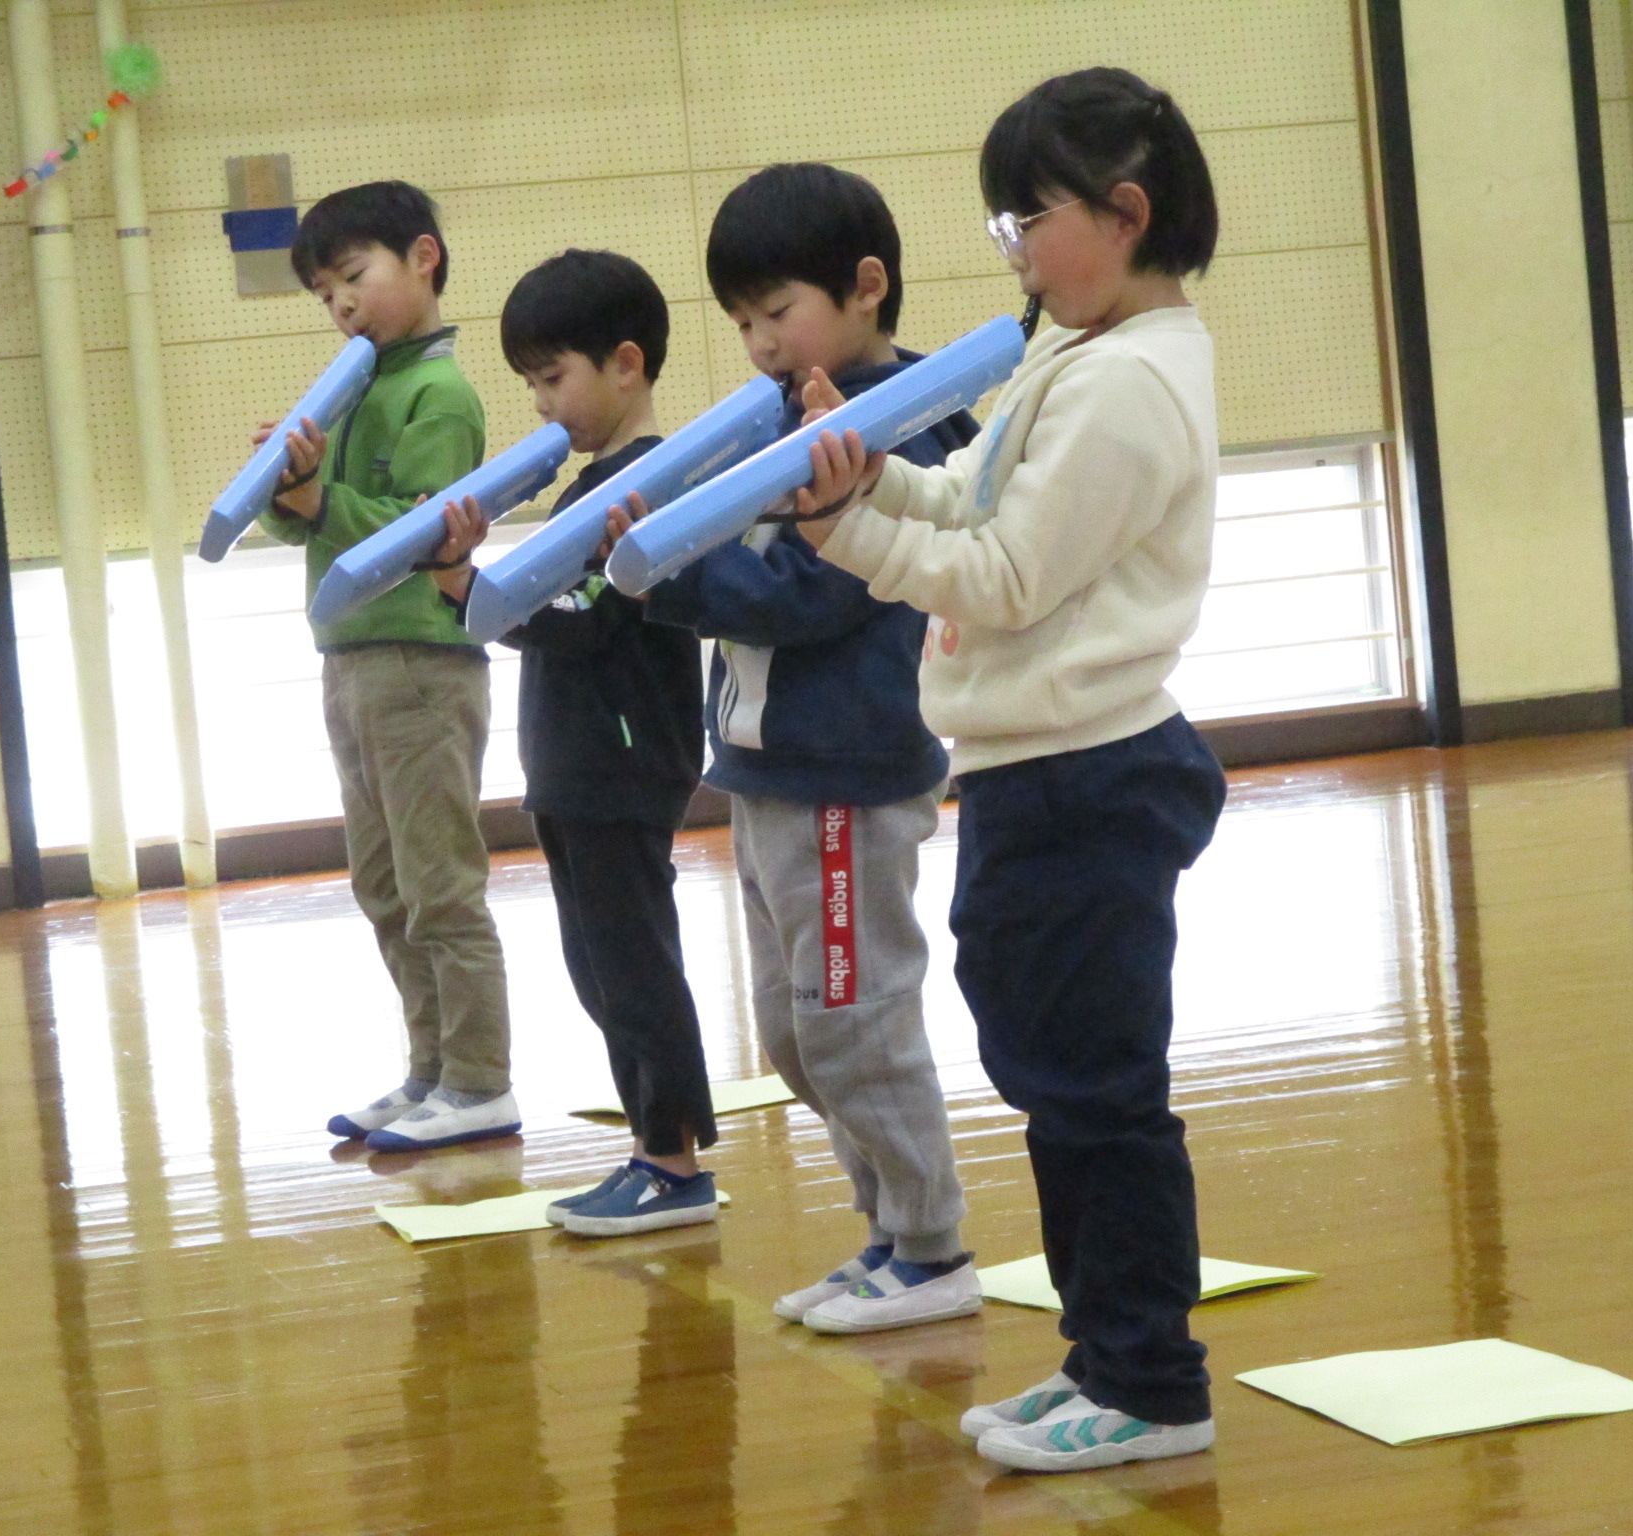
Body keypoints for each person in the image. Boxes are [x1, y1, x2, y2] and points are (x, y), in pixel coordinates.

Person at [786, 69, 1228, 1471]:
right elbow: (974, 493)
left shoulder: (1132, 387)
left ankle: (1154, 1383)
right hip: (1039, 770)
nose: (1014, 252)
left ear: (1124, 212)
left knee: (1098, 1092)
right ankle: (1104, 1358)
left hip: (1089, 773)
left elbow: (1009, 572)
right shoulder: (1078, 354)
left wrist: (846, 534)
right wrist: (861, 473)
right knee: (1055, 1081)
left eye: (1025, 219)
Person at [626, 163, 981, 1333]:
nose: (759, 343)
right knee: (793, 1031)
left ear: (865, 288)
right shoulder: (784, 424)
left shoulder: (900, 424)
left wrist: (665, 576)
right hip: (766, 770)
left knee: (853, 1014)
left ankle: (930, 1248)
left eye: (777, 312)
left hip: (846, 775)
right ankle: (884, 1228)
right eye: (741, 323)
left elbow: (805, 592)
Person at [427, 250, 720, 1236]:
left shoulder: (645, 483)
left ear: (625, 363)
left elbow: (586, 616)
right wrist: (478, 591)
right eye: (530, 384)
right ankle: (656, 1146)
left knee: (630, 964)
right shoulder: (591, 484)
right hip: (578, 766)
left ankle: (670, 1160)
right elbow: (556, 609)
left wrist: (471, 591)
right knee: (601, 966)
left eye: (553, 378)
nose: (542, 404)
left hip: (622, 761)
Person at [259, 180, 519, 1153]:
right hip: (355, 659)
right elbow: (329, 524)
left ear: (423, 258)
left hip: (418, 660)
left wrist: (319, 501)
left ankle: (481, 1078)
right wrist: (293, 495)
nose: (342, 305)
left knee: (439, 883)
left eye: (353, 276)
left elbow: (419, 534)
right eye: (325, 293)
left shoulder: (437, 392)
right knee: (384, 884)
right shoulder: (359, 386)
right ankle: (431, 1071)